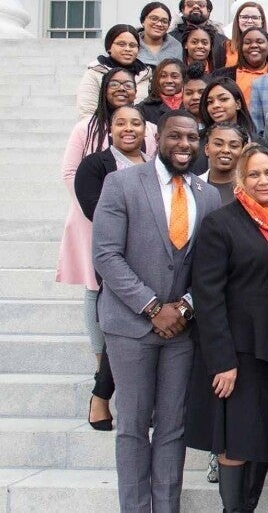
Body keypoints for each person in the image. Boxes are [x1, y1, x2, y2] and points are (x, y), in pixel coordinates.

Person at [92, 109, 223, 513]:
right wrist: (151, 307)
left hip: (181, 330)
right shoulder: (122, 183)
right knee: (133, 427)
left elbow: (211, 266)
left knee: (172, 428)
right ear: (158, 139)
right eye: (175, 136)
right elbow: (106, 255)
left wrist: (185, 306)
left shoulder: (208, 194)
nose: (184, 144)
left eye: (192, 138)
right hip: (130, 326)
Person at [186, 143, 268, 512]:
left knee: (263, 440)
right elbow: (208, 297)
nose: (263, 180)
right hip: (238, 353)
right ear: (241, 179)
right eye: (254, 174)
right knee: (235, 443)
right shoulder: (220, 224)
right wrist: (222, 361)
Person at [67, 101, 154, 432]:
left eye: (136, 123)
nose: (129, 129)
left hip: (154, 260)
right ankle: (100, 397)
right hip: (117, 259)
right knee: (120, 333)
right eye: (121, 123)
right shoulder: (94, 165)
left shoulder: (155, 164)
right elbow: (96, 211)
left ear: (146, 130)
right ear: (110, 129)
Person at [76, 24, 152, 119]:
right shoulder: (95, 73)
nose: (127, 49)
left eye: (132, 45)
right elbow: (87, 113)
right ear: (109, 47)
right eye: (121, 44)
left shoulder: (146, 75)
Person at [212, 27, 268, 107]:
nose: (254, 45)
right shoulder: (220, 75)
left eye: (259, 42)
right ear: (241, 47)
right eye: (247, 43)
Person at [169, 0, 229, 66]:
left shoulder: (223, 42)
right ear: (182, 10)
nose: (196, 6)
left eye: (201, 4)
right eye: (190, 4)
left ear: (208, 10)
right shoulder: (170, 39)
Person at [199, 122, 248, 205]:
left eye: (234, 146)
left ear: (244, 150)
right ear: (207, 149)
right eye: (218, 144)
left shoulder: (251, 187)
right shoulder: (191, 186)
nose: (225, 150)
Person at [223, 1, 268, 68]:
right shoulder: (225, 46)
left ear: (262, 21)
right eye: (245, 17)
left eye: (254, 17)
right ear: (238, 20)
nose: (249, 21)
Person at [138, 58, 186, 125]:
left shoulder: (191, 104)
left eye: (174, 76)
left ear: (184, 80)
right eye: (163, 76)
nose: (169, 81)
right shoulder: (144, 108)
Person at [137, 2, 182, 68]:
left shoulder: (176, 47)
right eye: (154, 19)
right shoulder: (132, 42)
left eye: (164, 21)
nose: (159, 24)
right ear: (143, 21)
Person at [182, 63, 208, 129]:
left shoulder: (220, 123)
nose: (195, 97)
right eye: (189, 93)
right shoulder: (175, 123)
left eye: (201, 92)